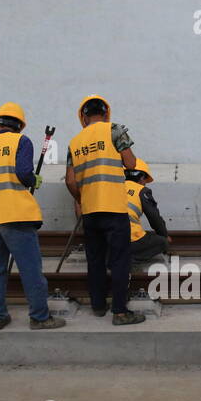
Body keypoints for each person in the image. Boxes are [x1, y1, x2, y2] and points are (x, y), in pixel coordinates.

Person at [0, 102, 64, 330]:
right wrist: (34, 180)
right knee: (31, 269)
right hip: (15, 216)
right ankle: (39, 317)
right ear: (20, 126)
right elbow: (24, 173)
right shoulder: (21, 141)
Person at [64, 95, 145, 325]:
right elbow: (130, 164)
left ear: (84, 116)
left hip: (90, 211)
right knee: (120, 260)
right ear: (105, 113)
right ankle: (119, 312)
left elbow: (70, 181)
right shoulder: (115, 130)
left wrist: (82, 198)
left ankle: (98, 306)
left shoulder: (74, 142)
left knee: (96, 259)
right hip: (114, 209)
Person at [126, 159, 170, 263]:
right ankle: (126, 258)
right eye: (145, 179)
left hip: (109, 240)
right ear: (141, 177)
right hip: (128, 241)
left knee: (148, 234)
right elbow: (155, 219)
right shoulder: (142, 191)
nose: (145, 183)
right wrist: (164, 235)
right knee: (162, 242)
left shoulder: (115, 187)